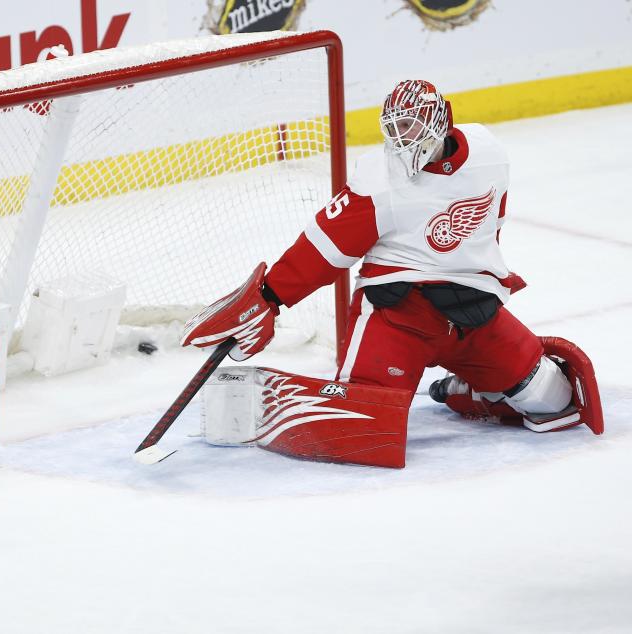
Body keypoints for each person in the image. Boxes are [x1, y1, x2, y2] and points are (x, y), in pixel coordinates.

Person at [181, 79, 602, 468]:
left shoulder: (488, 153)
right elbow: (325, 245)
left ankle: (470, 391)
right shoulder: (378, 179)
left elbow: (491, 222)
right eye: (394, 126)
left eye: (411, 125)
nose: (402, 138)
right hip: (399, 316)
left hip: (474, 315)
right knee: (361, 423)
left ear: (442, 121)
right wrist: (271, 296)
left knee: (555, 401)